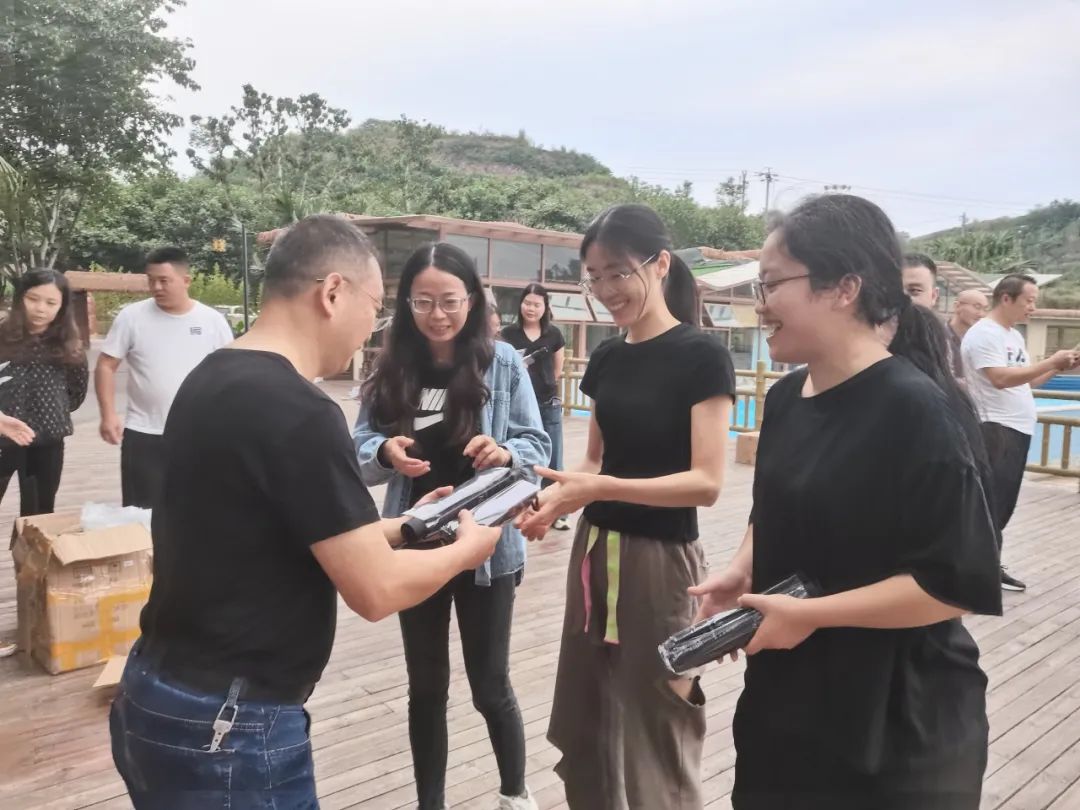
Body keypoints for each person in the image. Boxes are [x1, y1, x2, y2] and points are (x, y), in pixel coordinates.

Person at [109, 216, 502, 809]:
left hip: (155, 688)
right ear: (333, 292)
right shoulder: (301, 410)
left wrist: (403, 525)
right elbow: (376, 591)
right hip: (232, 723)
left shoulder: (211, 375)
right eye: (376, 307)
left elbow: (269, 529)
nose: (372, 328)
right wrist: (467, 551)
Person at [690, 194, 1003, 809]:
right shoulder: (785, 400)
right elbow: (773, 505)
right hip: (789, 707)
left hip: (896, 725)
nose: (760, 303)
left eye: (771, 284)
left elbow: (954, 585)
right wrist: (743, 568)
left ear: (844, 288)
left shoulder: (917, 411)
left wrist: (813, 614)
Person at [517, 203, 736, 810]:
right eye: (594, 276)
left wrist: (598, 489)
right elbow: (593, 459)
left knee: (659, 722)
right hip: (593, 552)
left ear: (660, 264)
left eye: (618, 272)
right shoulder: (608, 357)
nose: (607, 289)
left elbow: (706, 482)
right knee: (586, 715)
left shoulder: (701, 355)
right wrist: (554, 496)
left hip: (661, 560)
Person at [354, 242, 550, 810]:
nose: (437, 314)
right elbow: (360, 446)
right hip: (414, 542)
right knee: (426, 688)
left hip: (487, 545)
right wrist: (384, 451)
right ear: (405, 303)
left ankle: (514, 794)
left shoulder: (502, 361)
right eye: (422, 302)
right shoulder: (390, 365)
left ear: (472, 300)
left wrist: (505, 452)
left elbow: (536, 445)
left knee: (491, 686)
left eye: (449, 301)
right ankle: (430, 803)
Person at [961, 274, 1079, 592]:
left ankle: (987, 565)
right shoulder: (984, 334)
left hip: (1017, 428)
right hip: (996, 428)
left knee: (1003, 505)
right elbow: (999, 379)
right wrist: (1050, 360)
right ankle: (975, 572)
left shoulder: (1013, 336)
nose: (1032, 307)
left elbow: (1028, 381)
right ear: (1006, 298)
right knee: (992, 504)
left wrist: (1057, 367)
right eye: (1029, 300)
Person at [95, 247, 233, 509]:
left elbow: (229, 373)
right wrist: (108, 415)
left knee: (197, 510)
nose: (156, 287)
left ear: (186, 280)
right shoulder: (131, 317)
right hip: (144, 433)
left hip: (198, 434)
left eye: (164, 280)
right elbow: (105, 365)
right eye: (151, 280)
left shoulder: (212, 321)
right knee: (140, 513)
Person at [0, 268, 88, 515]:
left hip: (47, 441)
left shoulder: (70, 345)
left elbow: (76, 392)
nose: (41, 309)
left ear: (62, 306)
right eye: (33, 299)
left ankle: (26, 543)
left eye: (51, 303)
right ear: (20, 298)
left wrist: (49, 410)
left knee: (39, 512)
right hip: (2, 435)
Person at [500, 283, 570, 530]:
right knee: (518, 457)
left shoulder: (554, 335)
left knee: (554, 461)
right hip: (517, 408)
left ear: (545, 307)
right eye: (527, 303)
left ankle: (557, 513)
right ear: (521, 304)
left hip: (547, 404)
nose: (531, 308)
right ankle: (518, 508)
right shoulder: (508, 334)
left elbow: (557, 369)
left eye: (536, 304)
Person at [946, 289, 989, 379]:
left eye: (985, 309)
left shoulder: (983, 341)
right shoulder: (939, 337)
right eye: (977, 307)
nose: (981, 314)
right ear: (957, 306)